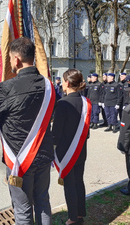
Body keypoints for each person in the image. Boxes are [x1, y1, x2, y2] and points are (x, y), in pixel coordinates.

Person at [0, 37, 55, 225]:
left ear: (16, 59)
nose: (10, 62)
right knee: (42, 202)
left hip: (19, 160)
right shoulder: (49, 85)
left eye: (10, 58)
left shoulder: (7, 87)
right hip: (44, 154)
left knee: (23, 210)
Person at [52, 69, 91, 225]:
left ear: (67, 83)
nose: (61, 83)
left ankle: (72, 218)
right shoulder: (86, 102)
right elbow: (86, 131)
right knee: (79, 181)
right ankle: (80, 214)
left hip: (66, 152)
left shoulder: (63, 103)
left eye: (62, 80)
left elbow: (56, 133)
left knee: (69, 184)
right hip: (81, 149)